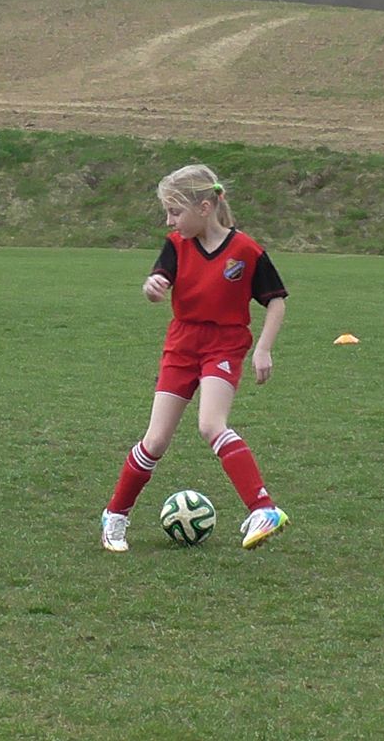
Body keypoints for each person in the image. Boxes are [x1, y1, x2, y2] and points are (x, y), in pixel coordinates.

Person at [100, 164, 289, 552]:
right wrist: (152, 288)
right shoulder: (176, 245)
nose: (170, 221)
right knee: (155, 440)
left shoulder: (246, 251)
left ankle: (262, 508)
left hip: (225, 343)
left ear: (205, 207)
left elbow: (276, 302)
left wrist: (264, 348)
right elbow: (159, 282)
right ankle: (115, 515)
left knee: (211, 424)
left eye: (175, 212)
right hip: (183, 342)